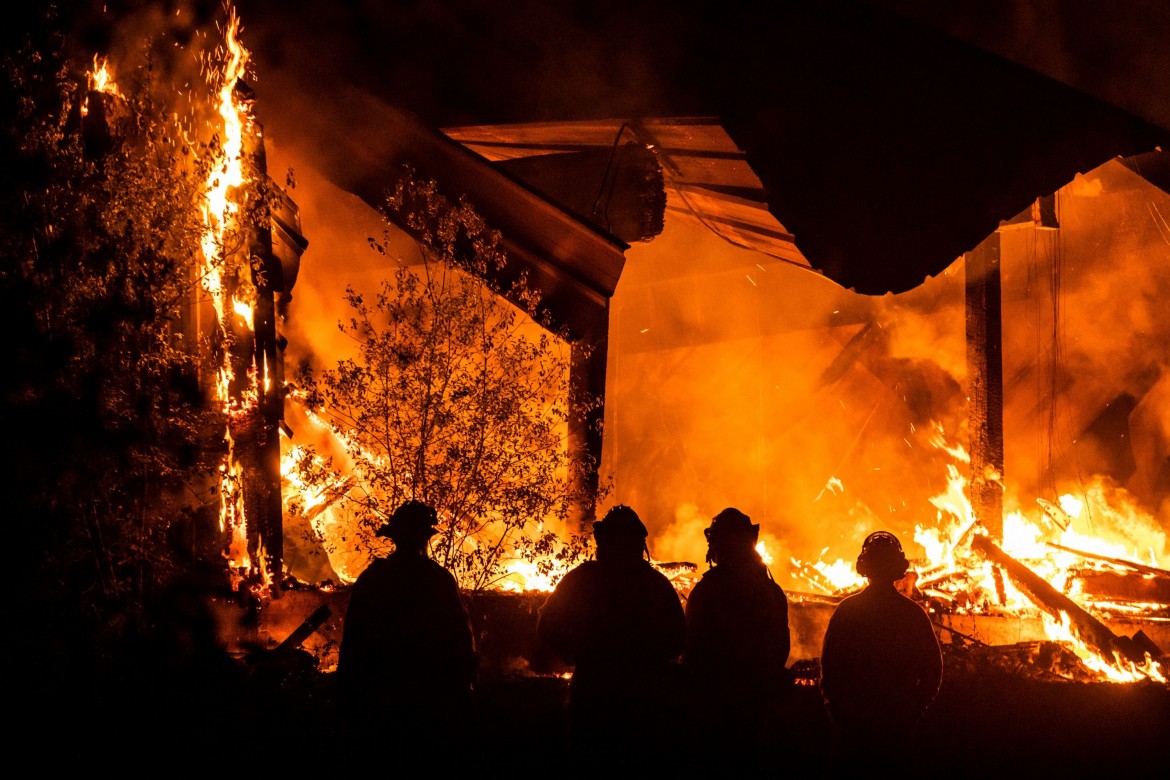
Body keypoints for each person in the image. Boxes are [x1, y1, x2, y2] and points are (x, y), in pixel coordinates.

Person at [537, 504, 687, 774]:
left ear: (602, 540)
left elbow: (547, 625)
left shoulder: (581, 580)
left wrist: (573, 655)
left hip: (593, 696)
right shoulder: (655, 585)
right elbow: (678, 639)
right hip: (643, 702)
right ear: (639, 543)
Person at [335, 500, 478, 760]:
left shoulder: (373, 579)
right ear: (426, 538)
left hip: (379, 701)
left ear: (395, 538)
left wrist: (347, 696)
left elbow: (353, 641)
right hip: (430, 703)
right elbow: (461, 639)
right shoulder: (438, 580)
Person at [818, 530, 943, 774]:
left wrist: (840, 716)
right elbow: (932, 670)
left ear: (863, 567)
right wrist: (914, 711)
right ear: (899, 568)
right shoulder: (912, 615)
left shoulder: (848, 611)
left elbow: (830, 670)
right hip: (897, 728)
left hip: (854, 731)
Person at [683, 507, 792, 775]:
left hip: (712, 702)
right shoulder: (768, 589)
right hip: (754, 702)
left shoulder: (708, 590)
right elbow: (780, 646)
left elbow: (691, 646)